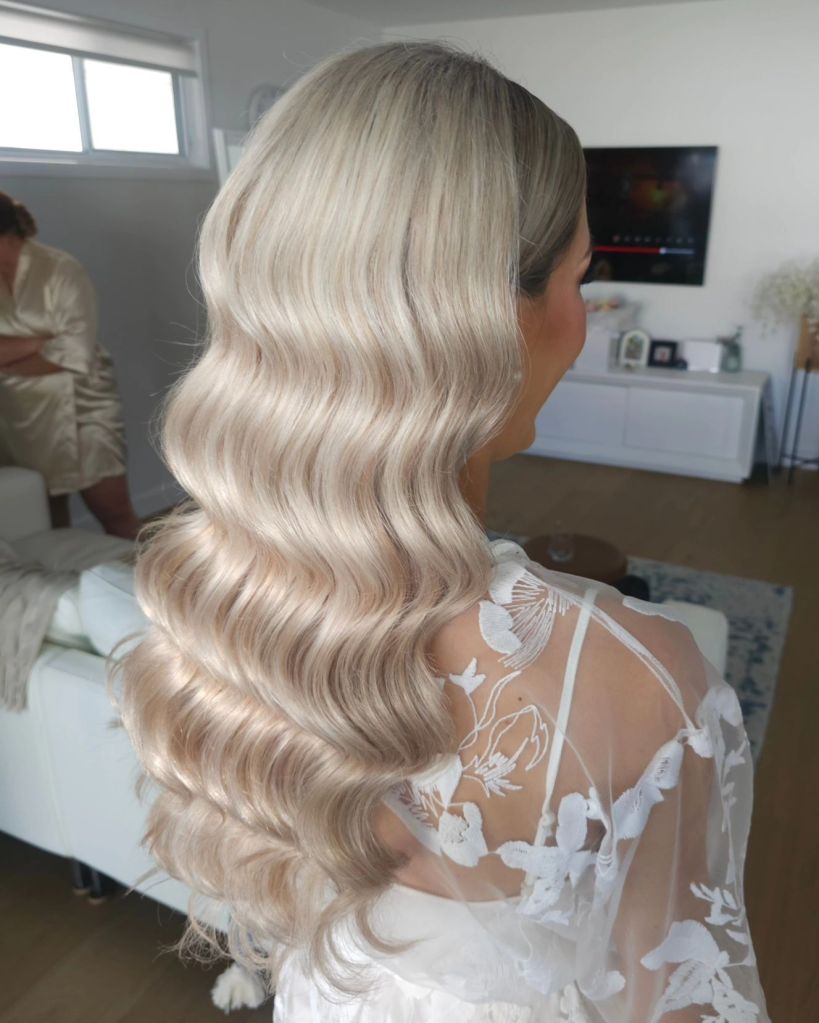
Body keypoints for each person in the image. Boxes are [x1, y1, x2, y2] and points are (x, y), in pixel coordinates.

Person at [113, 42, 771, 1021]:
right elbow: (681, 998)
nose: (583, 318)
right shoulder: (642, 680)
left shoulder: (210, 601)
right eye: (580, 277)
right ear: (487, 319)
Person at [0, 192, 143, 539]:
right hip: (20, 417)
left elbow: (77, 352)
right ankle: (76, 576)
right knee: (46, 523)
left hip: (84, 407)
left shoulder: (59, 269)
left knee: (116, 513)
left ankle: (150, 574)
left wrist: (9, 360)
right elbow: (63, 347)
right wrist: (41, 342)